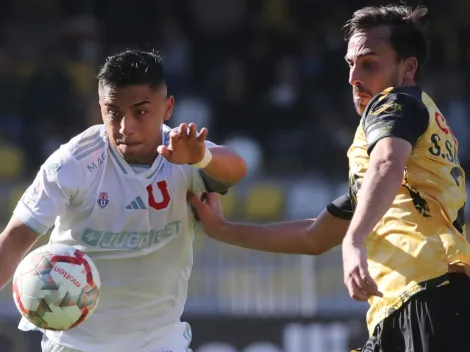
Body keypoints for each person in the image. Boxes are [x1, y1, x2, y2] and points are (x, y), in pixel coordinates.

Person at [188, 5, 470, 351]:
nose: (354, 77)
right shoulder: (403, 163)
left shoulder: (396, 103)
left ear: (407, 67)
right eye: (351, 64)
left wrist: (355, 240)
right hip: (408, 301)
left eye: (369, 62)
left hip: (428, 293)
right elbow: (314, 236)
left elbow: (386, 164)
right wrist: (224, 229)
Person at [0, 49, 247, 352]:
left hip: (161, 344)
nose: (124, 127)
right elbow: (12, 240)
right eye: (113, 112)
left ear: (167, 108)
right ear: (99, 109)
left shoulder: (184, 154)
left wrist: (202, 157)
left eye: (140, 112)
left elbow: (236, 168)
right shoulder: (73, 163)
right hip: (74, 346)